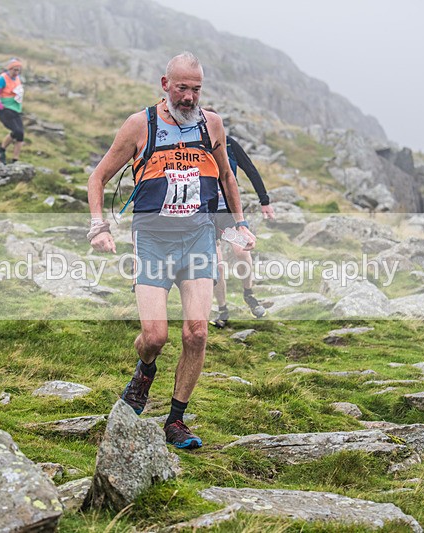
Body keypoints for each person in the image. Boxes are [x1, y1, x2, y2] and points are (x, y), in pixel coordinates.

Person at [87, 52, 256, 449]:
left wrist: (240, 223)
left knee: (197, 333)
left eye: (196, 89)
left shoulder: (212, 124)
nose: (189, 97)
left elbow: (227, 176)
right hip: (153, 240)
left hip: (198, 238)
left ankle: (176, 421)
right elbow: (98, 177)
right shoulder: (140, 124)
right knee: (154, 336)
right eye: (181, 88)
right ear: (165, 84)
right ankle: (144, 372)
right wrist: (99, 226)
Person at [210, 133, 276, 327]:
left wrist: (264, 201)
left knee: (241, 250)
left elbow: (250, 169)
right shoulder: (192, 143)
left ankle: (249, 294)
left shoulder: (229, 143)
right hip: (206, 215)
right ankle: (223, 310)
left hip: (227, 213)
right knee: (217, 264)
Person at [0, 58, 25, 164]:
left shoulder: (18, 78)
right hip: (6, 109)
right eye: (14, 70)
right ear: (9, 69)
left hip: (16, 109)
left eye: (18, 70)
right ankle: (1, 151)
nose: (16, 72)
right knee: (17, 131)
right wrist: (1, 107)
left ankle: (15, 160)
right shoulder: (2, 78)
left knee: (20, 135)